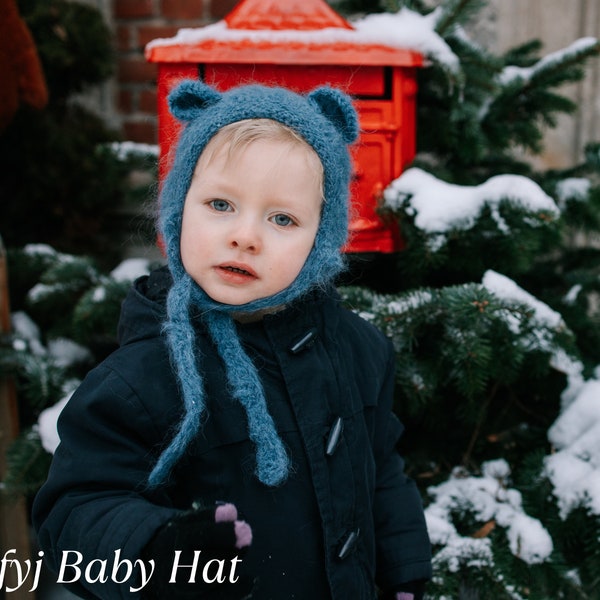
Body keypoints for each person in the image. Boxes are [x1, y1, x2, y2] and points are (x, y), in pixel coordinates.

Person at [32, 80, 432, 600]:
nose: (246, 235)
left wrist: (403, 572)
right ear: (180, 210)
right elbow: (75, 509)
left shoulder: (358, 351)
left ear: (321, 238)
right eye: (220, 205)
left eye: (282, 218)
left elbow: (382, 475)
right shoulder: (143, 375)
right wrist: (156, 551)